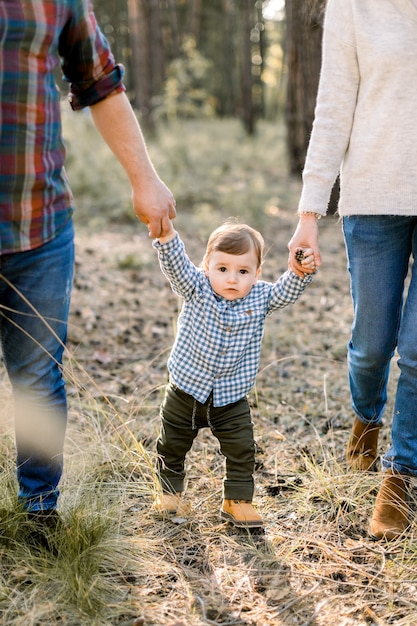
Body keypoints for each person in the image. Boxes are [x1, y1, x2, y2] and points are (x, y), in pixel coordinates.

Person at [0, 0, 175, 533]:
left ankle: (37, 516)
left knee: (37, 379)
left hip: (39, 222)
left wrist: (144, 178)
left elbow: (101, 82)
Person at [287, 0, 417, 540]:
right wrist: (308, 214)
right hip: (372, 198)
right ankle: (366, 419)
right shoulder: (353, 7)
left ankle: (402, 474)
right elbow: (334, 108)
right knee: (371, 345)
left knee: (416, 349)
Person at [152, 219, 315, 527]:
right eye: (222, 269)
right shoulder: (196, 287)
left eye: (243, 271)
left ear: (257, 274)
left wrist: (299, 271)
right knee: (171, 444)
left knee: (242, 449)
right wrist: (167, 235)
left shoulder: (260, 297)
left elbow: (285, 291)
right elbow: (176, 266)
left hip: (231, 398)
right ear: (207, 266)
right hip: (185, 390)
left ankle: (236, 500)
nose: (232, 278)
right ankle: (169, 494)